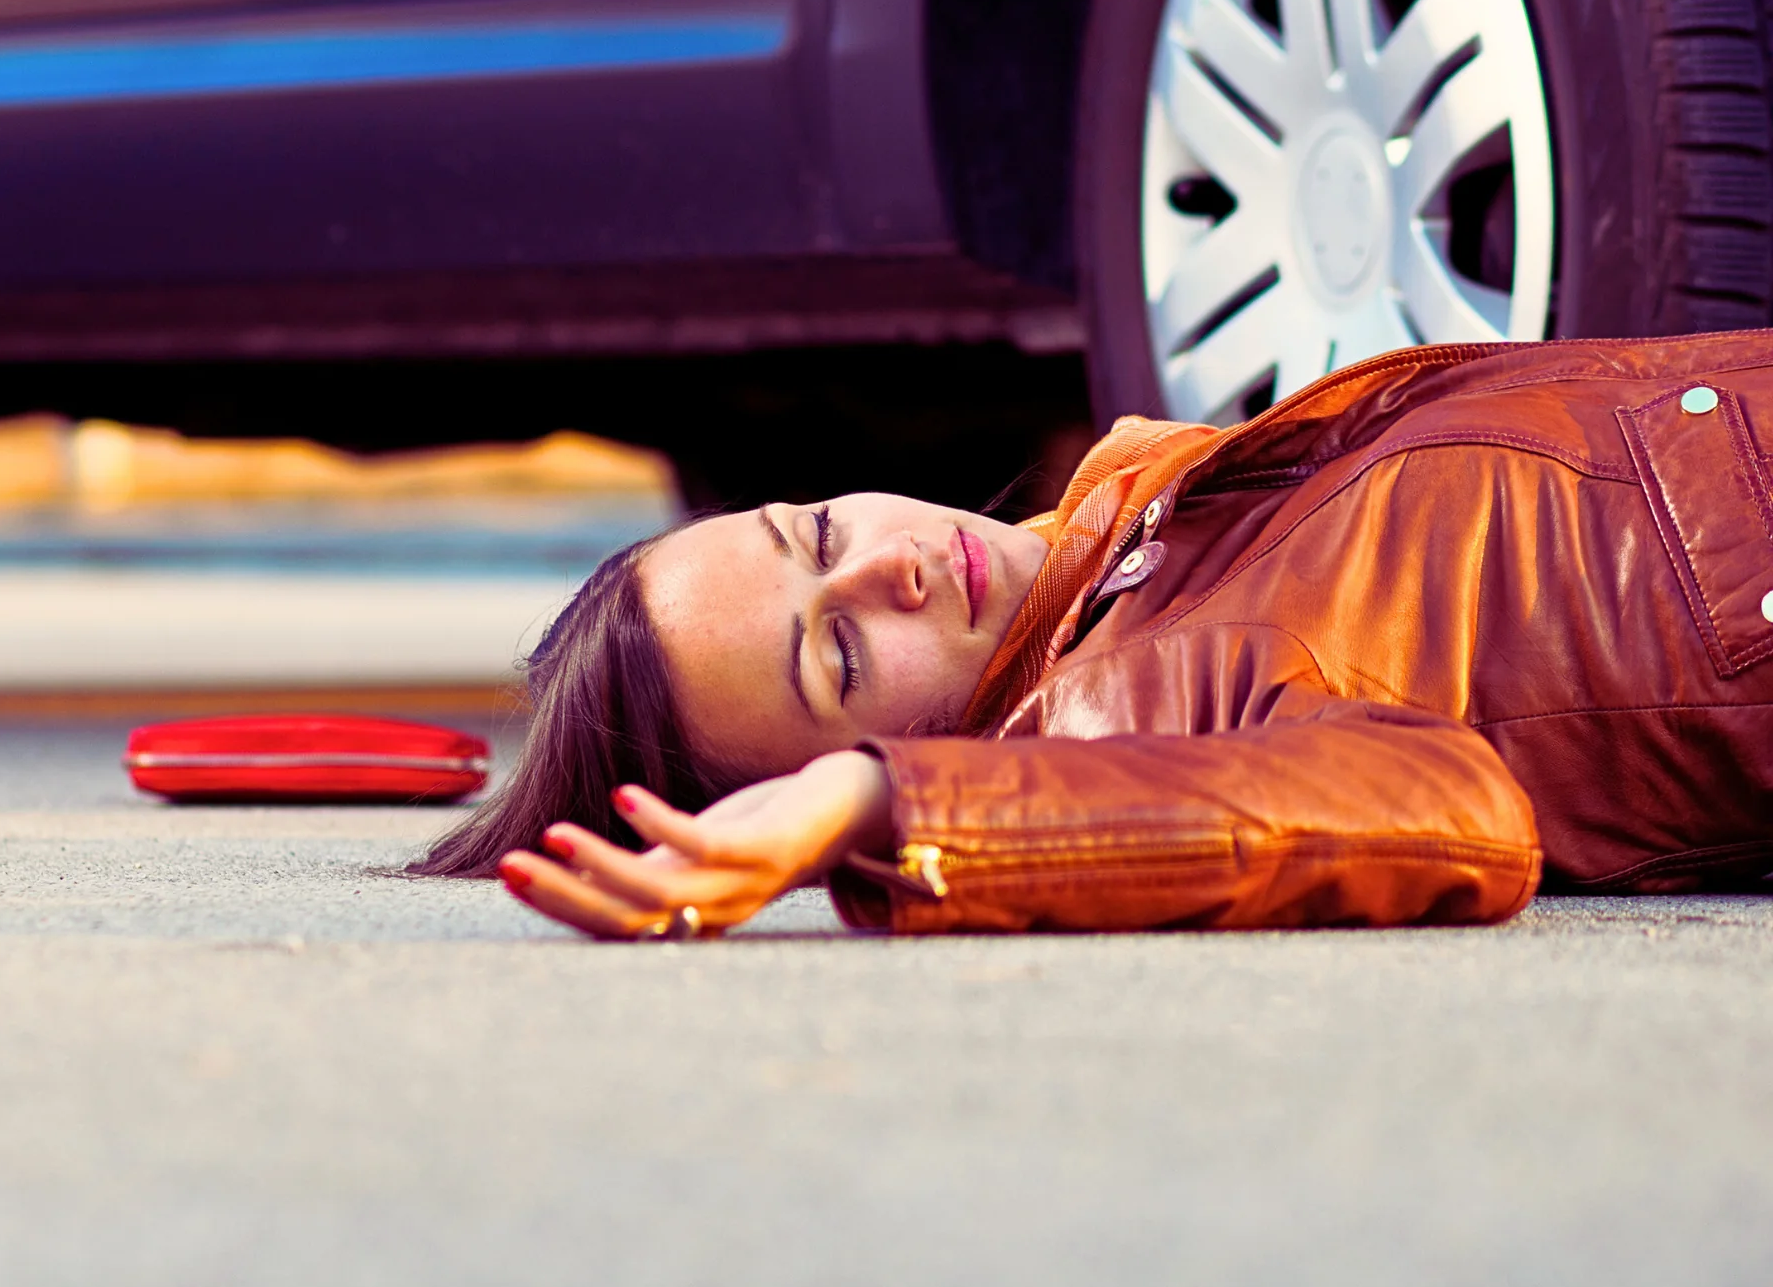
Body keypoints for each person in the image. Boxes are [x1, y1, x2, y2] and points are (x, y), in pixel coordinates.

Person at [414, 331, 1773, 939]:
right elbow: (1447, 808)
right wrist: (881, 806)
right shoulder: (1129, 704)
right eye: (838, 661)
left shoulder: (1135, 544)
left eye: (818, 530)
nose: (892, 564)